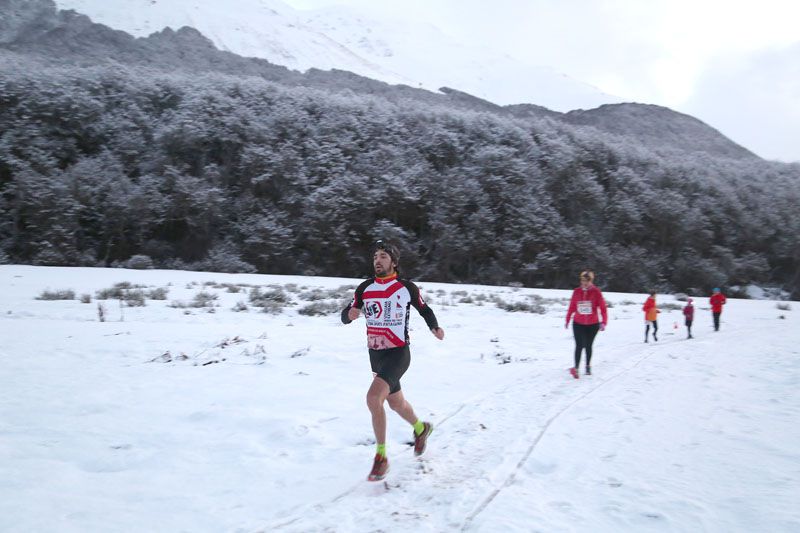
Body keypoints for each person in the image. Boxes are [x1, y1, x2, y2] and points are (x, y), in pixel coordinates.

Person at [341, 240, 445, 482]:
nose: (378, 260)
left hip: (398, 354)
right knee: (396, 404)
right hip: (375, 356)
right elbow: (346, 316)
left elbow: (424, 309)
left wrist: (434, 327)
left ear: (394, 262)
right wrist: (349, 314)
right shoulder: (364, 288)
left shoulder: (406, 288)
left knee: (373, 398)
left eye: (384, 256)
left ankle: (381, 458)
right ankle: (421, 429)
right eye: (376, 256)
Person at [565, 270, 608, 378]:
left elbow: (603, 308)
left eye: (587, 281)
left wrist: (604, 322)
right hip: (578, 323)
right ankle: (576, 369)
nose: (584, 283)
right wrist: (567, 319)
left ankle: (588, 366)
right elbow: (572, 306)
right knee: (579, 345)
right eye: (582, 280)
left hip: (593, 324)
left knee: (588, 345)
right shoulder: (576, 291)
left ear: (591, 281)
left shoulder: (596, 292)